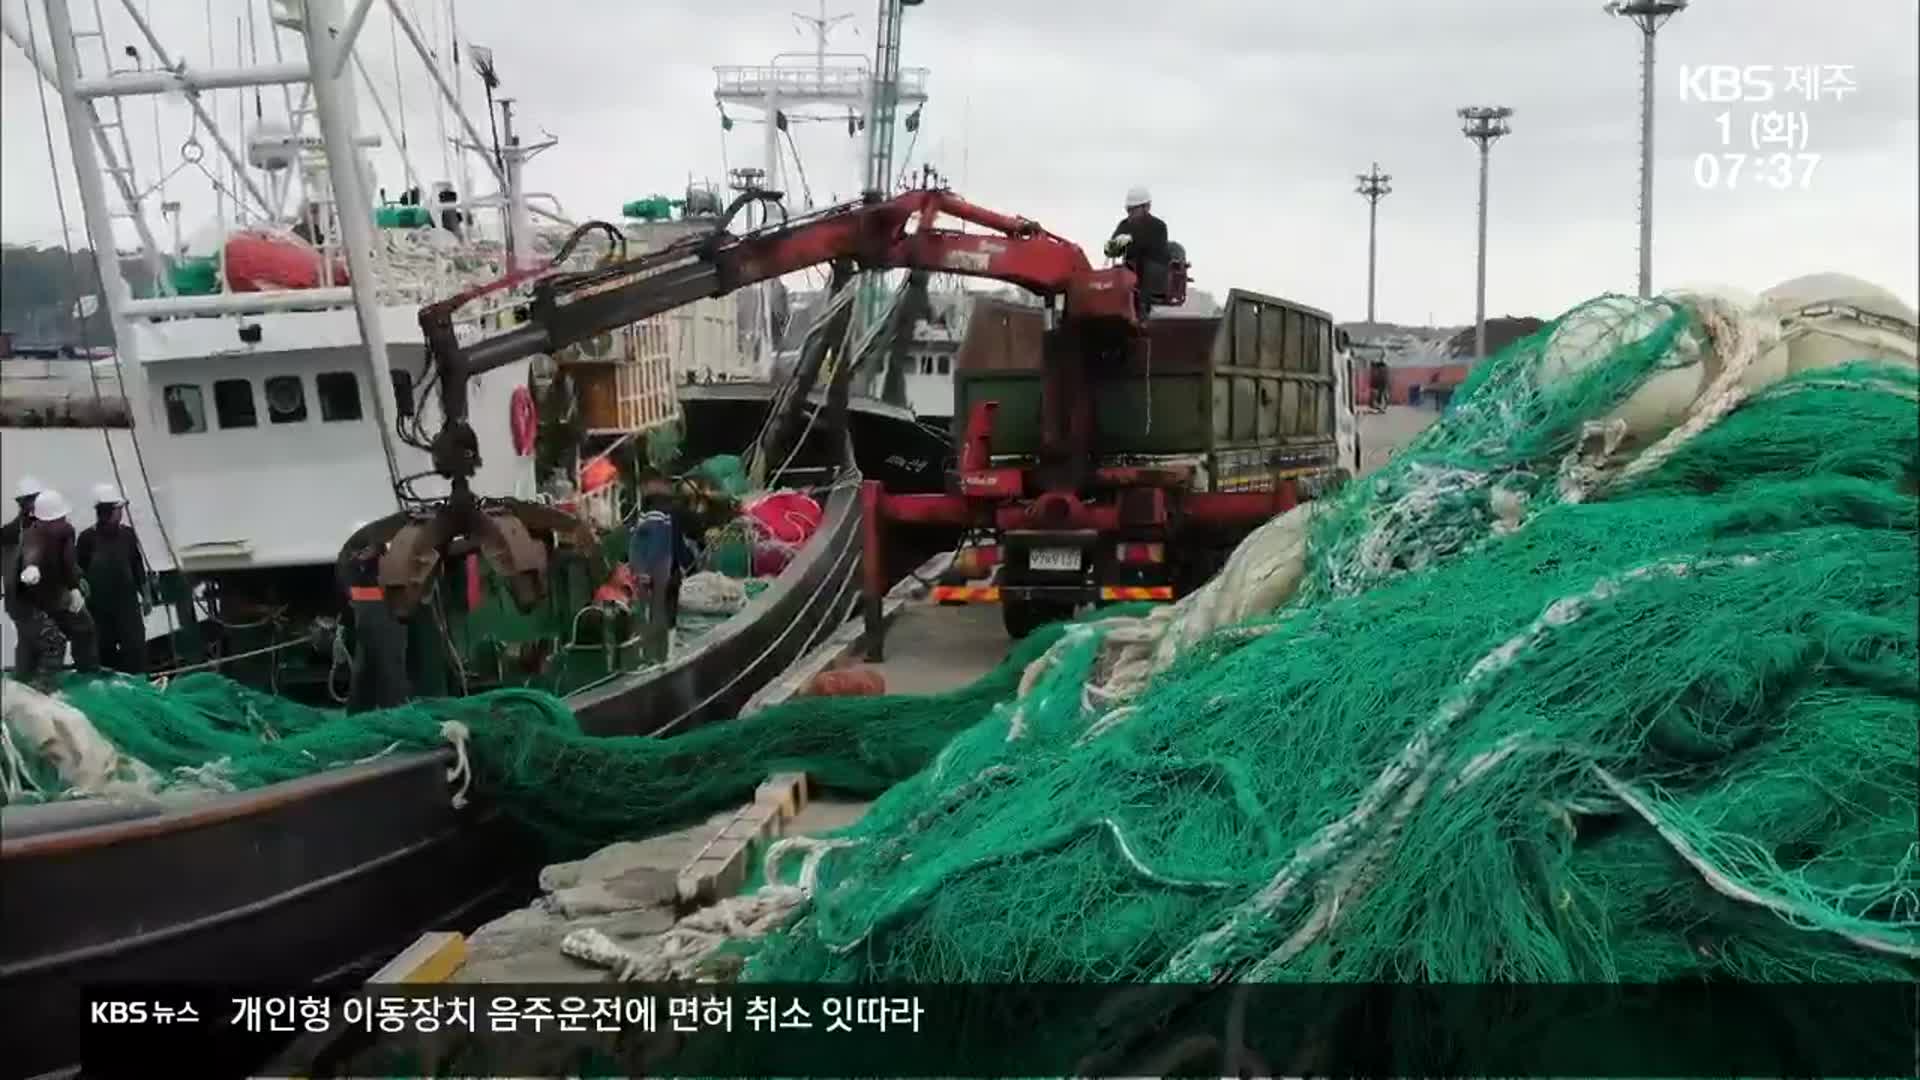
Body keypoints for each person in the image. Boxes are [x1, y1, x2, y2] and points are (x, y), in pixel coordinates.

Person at [14, 488, 99, 684]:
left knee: (85, 627)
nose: (62, 522)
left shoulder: (66, 532)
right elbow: (32, 552)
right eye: (57, 519)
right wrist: (32, 567)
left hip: (56, 593)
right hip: (31, 601)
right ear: (44, 521)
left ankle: (88, 676)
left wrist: (74, 587)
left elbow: (68, 563)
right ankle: (42, 687)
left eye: (63, 518)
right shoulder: (32, 535)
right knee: (51, 642)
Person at [77, 484, 151, 675]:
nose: (121, 513)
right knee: (104, 651)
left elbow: (137, 565)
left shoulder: (127, 534)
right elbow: (78, 570)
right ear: (108, 511)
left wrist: (146, 594)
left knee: (135, 649)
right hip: (99, 607)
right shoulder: (87, 538)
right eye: (119, 509)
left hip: (127, 604)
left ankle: (138, 684)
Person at [341, 524, 409, 713]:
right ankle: (395, 717)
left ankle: (360, 717)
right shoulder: (363, 562)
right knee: (386, 670)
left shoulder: (358, 562)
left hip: (372, 612)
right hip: (379, 612)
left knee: (368, 669)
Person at [1105, 186, 1171, 308]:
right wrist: (1116, 245)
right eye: (1128, 210)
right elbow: (1110, 250)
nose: (1130, 213)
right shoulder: (1125, 225)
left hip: (1153, 272)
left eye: (1134, 209)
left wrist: (1130, 240)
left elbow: (1151, 249)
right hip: (1132, 271)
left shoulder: (1158, 226)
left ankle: (1142, 309)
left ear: (1146, 207)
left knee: (1146, 267)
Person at [3, 475, 43, 671]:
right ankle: (37, 683)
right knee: (38, 643)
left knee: (29, 642)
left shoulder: (16, 529)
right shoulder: (13, 532)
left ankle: (27, 680)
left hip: (25, 600)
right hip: (26, 600)